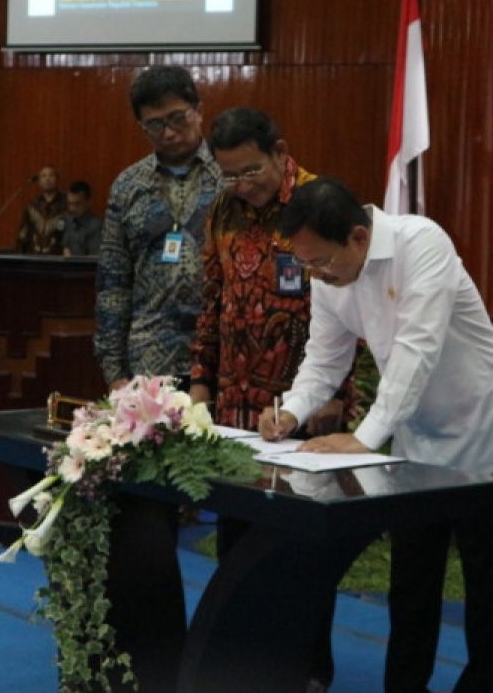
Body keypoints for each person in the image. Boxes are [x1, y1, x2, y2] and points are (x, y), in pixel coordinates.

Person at [259, 177, 493, 693]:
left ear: (360, 238)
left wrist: (365, 440)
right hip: (417, 439)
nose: (316, 275)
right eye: (307, 265)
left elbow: (418, 351)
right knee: (411, 583)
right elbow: (324, 358)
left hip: (487, 435)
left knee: (487, 589)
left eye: (322, 261)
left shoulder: (422, 242)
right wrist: (291, 414)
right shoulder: (329, 277)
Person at [190, 108, 353, 692]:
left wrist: (337, 395)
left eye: (251, 170)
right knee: (240, 541)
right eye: (229, 174)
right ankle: (244, 662)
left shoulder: (318, 203)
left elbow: (352, 305)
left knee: (304, 548)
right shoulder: (222, 210)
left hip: (306, 406)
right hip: (237, 406)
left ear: (280, 151)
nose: (241, 185)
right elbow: (211, 298)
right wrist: (200, 380)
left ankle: (310, 667)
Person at [92, 65, 219, 693]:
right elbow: (112, 284)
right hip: (145, 374)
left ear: (199, 108)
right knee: (145, 520)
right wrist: (114, 373)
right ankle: (155, 652)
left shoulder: (232, 173)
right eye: (153, 125)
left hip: (219, 368)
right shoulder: (128, 186)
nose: (168, 133)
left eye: (177, 118)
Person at [16, 165, 67, 254]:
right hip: (34, 255)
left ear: (57, 179)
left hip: (58, 256)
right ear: (39, 182)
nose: (47, 179)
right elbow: (23, 232)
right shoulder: (32, 206)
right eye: (43, 176)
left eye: (51, 175)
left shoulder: (66, 204)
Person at [60, 180, 103, 256]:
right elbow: (65, 247)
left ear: (88, 202)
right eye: (70, 204)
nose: (72, 208)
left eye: (77, 204)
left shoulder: (95, 226)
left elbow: (93, 259)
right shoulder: (68, 221)